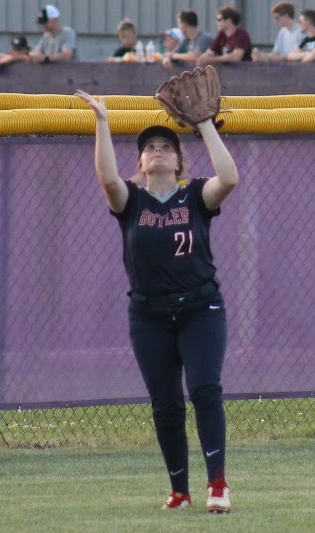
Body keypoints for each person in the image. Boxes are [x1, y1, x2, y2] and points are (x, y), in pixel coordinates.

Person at [74, 89, 238, 514]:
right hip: (148, 315)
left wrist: (204, 125)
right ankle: (180, 490)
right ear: (141, 162)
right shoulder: (132, 201)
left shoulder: (197, 194)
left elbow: (231, 179)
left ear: (180, 161)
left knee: (205, 389)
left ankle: (217, 484)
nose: (158, 151)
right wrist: (103, 123)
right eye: (150, 148)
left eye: (167, 147)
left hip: (201, 308)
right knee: (166, 405)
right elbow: (108, 180)